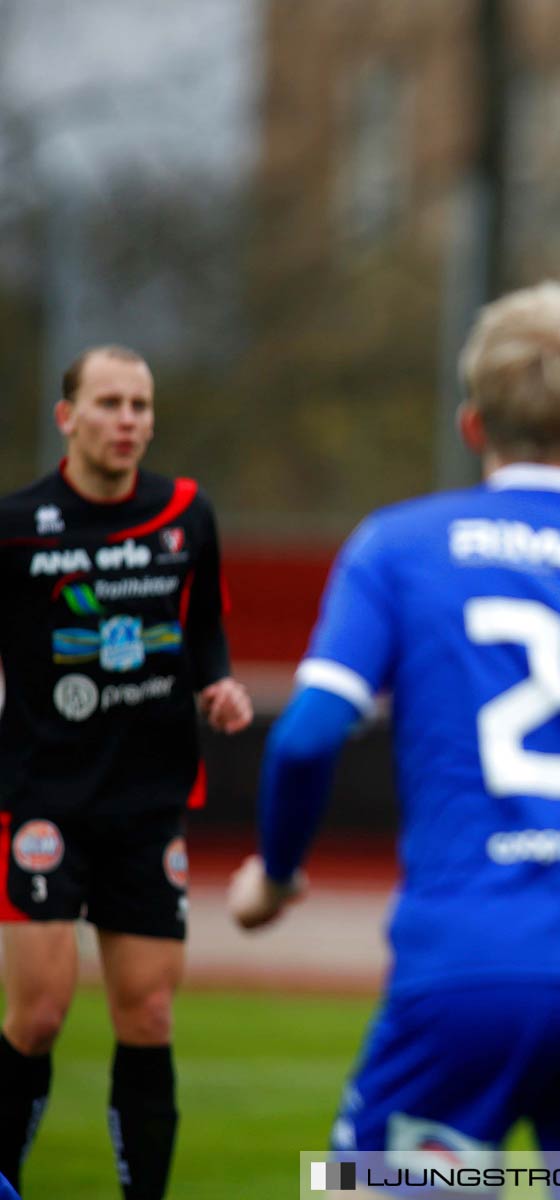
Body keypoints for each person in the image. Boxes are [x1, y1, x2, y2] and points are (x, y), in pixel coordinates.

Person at [228, 282, 560, 1186]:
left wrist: (275, 874)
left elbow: (304, 739)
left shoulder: (397, 547)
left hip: (462, 971)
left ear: (471, 421)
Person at [0, 346, 254, 1198]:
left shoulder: (187, 512)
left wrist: (216, 684)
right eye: (109, 403)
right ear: (67, 417)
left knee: (147, 1015)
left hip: (146, 804)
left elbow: (205, 628)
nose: (129, 421)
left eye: (141, 406)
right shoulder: (16, 524)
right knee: (36, 1018)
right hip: (41, 803)